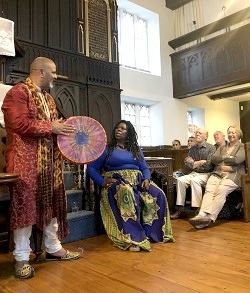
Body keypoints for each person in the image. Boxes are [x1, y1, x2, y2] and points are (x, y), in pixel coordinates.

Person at [1, 57, 81, 279]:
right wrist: (51, 127)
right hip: (24, 161)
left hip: (48, 164)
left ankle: (53, 248)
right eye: (53, 72)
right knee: (24, 208)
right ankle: (21, 258)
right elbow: (17, 123)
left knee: (52, 203)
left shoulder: (48, 99)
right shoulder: (18, 93)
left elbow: (56, 129)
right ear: (41, 72)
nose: (56, 76)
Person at [87, 120, 174, 252]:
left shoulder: (136, 149)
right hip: (117, 183)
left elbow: (144, 167)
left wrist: (147, 179)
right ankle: (133, 238)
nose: (118, 130)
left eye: (122, 128)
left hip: (138, 181)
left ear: (129, 133)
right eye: (117, 128)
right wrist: (102, 182)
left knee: (158, 193)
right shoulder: (107, 149)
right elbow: (91, 168)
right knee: (127, 193)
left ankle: (152, 233)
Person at [189, 125, 245, 229]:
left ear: (238, 134)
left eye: (233, 132)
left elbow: (238, 160)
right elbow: (214, 159)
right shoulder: (222, 147)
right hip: (218, 173)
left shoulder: (242, 147)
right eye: (229, 132)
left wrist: (226, 161)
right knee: (210, 189)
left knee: (221, 189)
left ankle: (210, 217)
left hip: (233, 174)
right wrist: (228, 157)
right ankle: (202, 214)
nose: (231, 135)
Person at [171, 127, 216, 219]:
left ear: (206, 136)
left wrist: (194, 163)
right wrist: (200, 162)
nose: (197, 134)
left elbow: (209, 165)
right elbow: (188, 164)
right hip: (194, 173)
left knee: (195, 181)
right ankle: (180, 210)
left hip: (207, 174)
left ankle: (197, 210)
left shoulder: (211, 148)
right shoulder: (193, 149)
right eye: (196, 133)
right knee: (180, 180)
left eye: (200, 133)